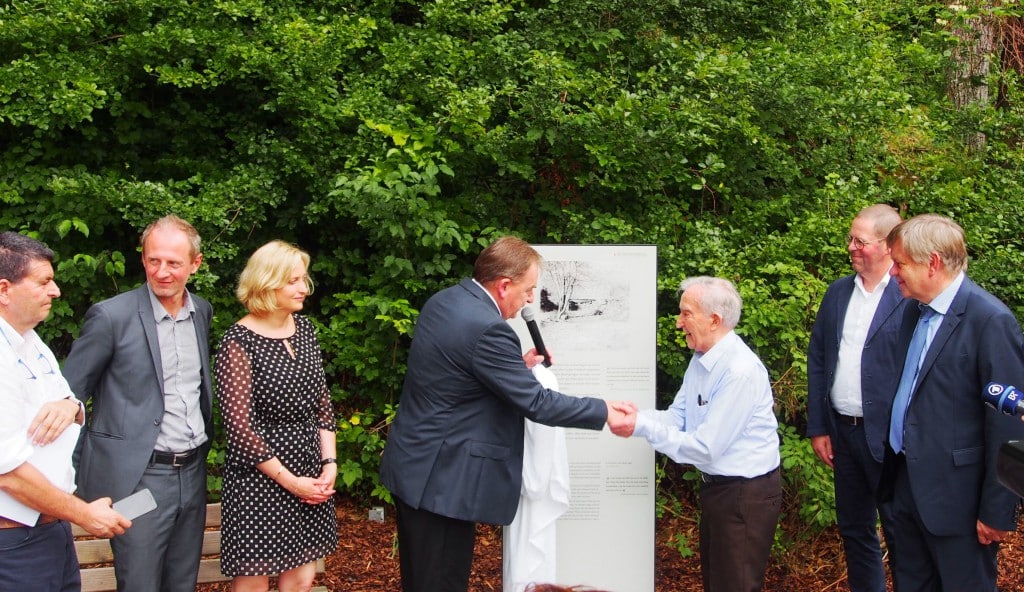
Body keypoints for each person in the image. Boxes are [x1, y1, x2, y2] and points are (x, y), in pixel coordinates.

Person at [378, 235, 635, 592]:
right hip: (442, 483)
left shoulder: (446, 301)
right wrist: (603, 410)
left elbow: (456, 374)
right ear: (503, 286)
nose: (531, 298)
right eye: (528, 289)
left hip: (418, 467)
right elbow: (538, 403)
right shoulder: (488, 329)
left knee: (422, 579)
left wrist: (515, 366)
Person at [63, 215, 214, 592]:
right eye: (153, 261)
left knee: (182, 582)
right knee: (140, 583)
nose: (161, 272)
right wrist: (78, 475)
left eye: (173, 263)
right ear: (143, 259)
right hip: (138, 481)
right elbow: (68, 397)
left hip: (192, 474)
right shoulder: (111, 316)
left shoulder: (202, 312)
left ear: (195, 265)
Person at [882, 213, 1024, 591]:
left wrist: (997, 510)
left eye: (900, 263)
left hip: (960, 503)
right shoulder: (914, 309)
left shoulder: (990, 321)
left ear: (932, 263)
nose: (893, 272)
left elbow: (1008, 424)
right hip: (907, 488)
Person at [612, 276, 781, 592]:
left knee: (736, 586)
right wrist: (636, 419)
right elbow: (679, 418)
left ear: (714, 320)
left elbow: (705, 448)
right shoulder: (703, 358)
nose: (679, 323)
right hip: (721, 492)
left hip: (745, 496)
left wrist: (641, 426)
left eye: (686, 313)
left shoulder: (740, 371)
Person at [0, 231, 130, 591]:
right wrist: (83, 513)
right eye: (43, 282)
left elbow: (68, 401)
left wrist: (70, 404)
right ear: (4, 290)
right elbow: (6, 473)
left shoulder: (30, 339)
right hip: (11, 544)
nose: (56, 291)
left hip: (51, 531)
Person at [214, 240, 338, 592]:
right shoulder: (238, 342)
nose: (304, 288)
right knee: (253, 580)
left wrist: (329, 464)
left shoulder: (306, 330)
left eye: (304, 279)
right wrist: (290, 481)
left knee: (300, 578)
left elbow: (322, 403)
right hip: (260, 478)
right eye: (293, 281)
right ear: (266, 284)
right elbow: (239, 429)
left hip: (309, 471)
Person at [805, 204, 905, 592]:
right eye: (851, 239)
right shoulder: (838, 292)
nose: (851, 247)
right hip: (843, 433)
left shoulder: (907, 295)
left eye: (859, 241)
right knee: (854, 529)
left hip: (889, 439)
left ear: (887, 245)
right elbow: (818, 358)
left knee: (899, 529)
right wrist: (818, 425)